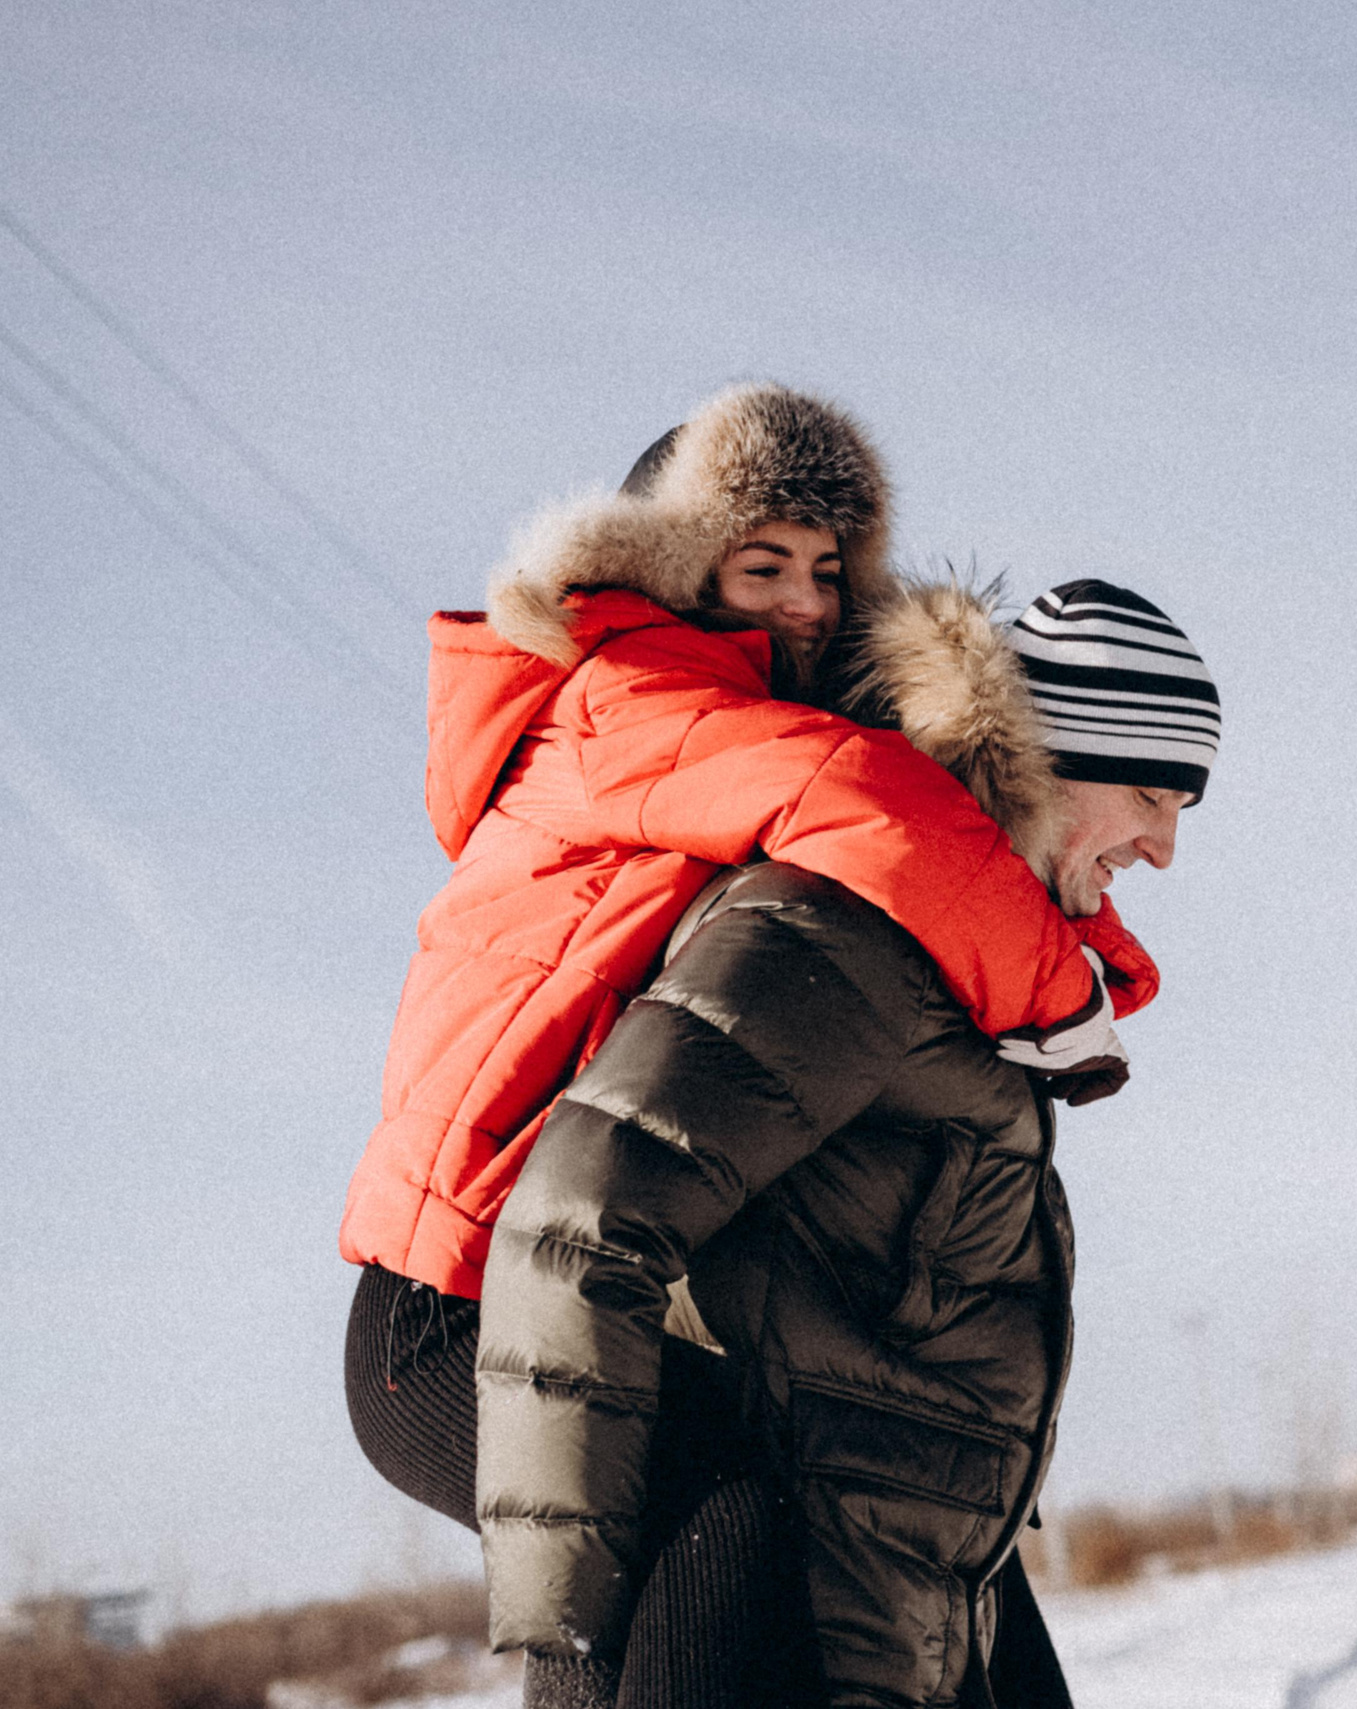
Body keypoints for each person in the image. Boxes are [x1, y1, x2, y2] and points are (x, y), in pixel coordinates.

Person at [341, 387, 1155, 1702]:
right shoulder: (629, 697)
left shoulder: (731, 732)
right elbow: (878, 803)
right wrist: (1061, 991)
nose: (807, 601)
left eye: (830, 570)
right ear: (670, 564)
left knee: (778, 1494)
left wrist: (1076, 935)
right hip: (446, 1308)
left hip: (565, 1280)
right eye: (761, 561)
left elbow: (911, 845)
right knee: (729, 1497)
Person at [473, 580, 1220, 1707]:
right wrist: (581, 1641)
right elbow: (579, 1221)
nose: (1163, 847)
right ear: (1044, 754)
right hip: (809, 1627)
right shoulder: (846, 925)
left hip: (919, 1611)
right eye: (1149, 793)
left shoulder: (961, 957)